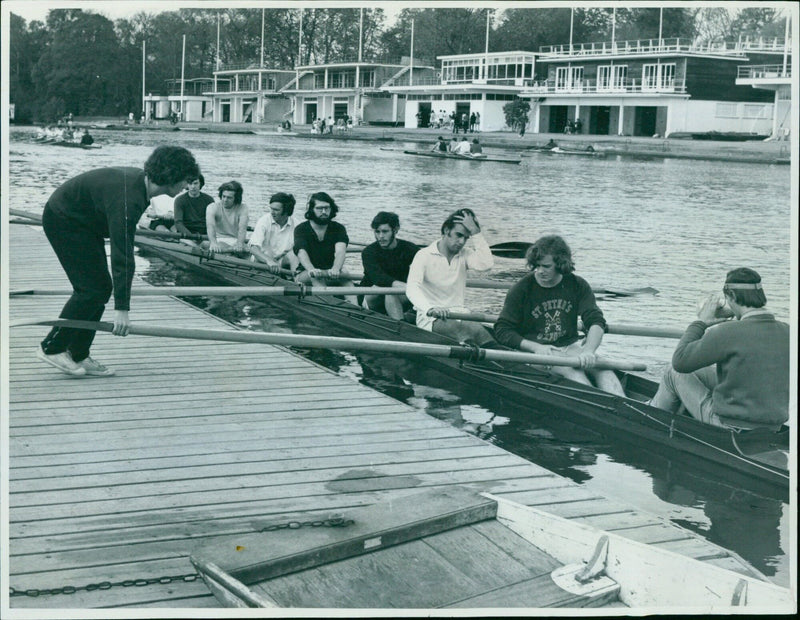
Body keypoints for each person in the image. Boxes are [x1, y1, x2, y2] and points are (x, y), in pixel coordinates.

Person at [37, 146, 199, 376]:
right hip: (63, 219)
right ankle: (52, 348)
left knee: (99, 287)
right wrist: (122, 308)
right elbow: (122, 255)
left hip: (85, 222)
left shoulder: (141, 187)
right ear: (172, 176)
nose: (187, 185)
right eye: (186, 179)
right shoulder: (128, 199)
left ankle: (78, 353)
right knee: (90, 290)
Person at [649, 268, 788, 430]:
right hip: (774, 426)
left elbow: (680, 361)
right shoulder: (788, 331)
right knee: (700, 371)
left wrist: (701, 323)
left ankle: (650, 418)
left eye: (727, 299)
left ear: (733, 297)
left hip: (731, 425)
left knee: (673, 372)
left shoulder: (727, 331)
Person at [494, 235, 625, 396]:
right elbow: (502, 330)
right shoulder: (522, 289)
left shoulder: (577, 285)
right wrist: (536, 347)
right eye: (537, 266)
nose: (540, 271)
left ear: (561, 264)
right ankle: (602, 409)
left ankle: (625, 407)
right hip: (534, 352)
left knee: (604, 368)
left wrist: (589, 351)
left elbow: (596, 321)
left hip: (568, 347)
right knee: (571, 370)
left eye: (546, 266)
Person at [406, 209, 495, 346]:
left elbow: (486, 264)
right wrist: (430, 308)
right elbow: (412, 288)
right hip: (431, 317)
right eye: (458, 235)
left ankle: (500, 356)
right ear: (447, 230)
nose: (461, 242)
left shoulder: (465, 254)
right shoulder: (423, 255)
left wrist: (476, 232)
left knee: (479, 333)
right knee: (471, 331)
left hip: (460, 313)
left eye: (466, 237)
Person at [360, 212, 419, 320]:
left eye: (385, 231)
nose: (380, 236)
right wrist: (404, 286)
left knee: (392, 293)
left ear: (395, 230)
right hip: (373, 296)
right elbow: (378, 278)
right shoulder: (368, 252)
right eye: (377, 232)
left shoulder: (411, 249)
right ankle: (400, 326)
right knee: (389, 291)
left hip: (400, 294)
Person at [293, 192, 349, 286]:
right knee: (316, 277)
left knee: (346, 278)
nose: (324, 212)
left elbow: (340, 252)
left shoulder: (339, 228)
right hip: (306, 272)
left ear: (331, 209)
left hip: (330, 271)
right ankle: (329, 299)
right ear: (311, 210)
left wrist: (336, 268)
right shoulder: (301, 229)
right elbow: (301, 252)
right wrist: (311, 269)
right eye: (319, 208)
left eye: (326, 208)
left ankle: (354, 301)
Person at [248, 192, 300, 274]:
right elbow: (253, 248)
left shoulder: (297, 224)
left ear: (286, 211)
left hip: (282, 261)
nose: (272, 212)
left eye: (276, 210)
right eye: (271, 209)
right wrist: (269, 261)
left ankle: (297, 280)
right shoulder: (264, 221)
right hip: (262, 261)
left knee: (294, 255)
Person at [205, 181, 248, 253]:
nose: (225, 200)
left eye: (229, 198)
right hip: (219, 239)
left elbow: (242, 228)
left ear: (236, 198)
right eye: (223, 196)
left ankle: (229, 252)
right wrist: (213, 242)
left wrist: (240, 243)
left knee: (249, 251)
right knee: (217, 246)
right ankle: (229, 252)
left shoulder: (243, 208)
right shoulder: (212, 207)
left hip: (235, 240)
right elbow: (210, 226)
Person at [173, 172, 214, 241]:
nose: (193, 186)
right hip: (187, 233)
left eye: (195, 183)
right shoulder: (179, 200)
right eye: (190, 183)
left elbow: (212, 222)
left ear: (200, 184)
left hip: (204, 233)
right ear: (186, 185)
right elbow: (178, 223)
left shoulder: (209, 200)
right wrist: (191, 237)